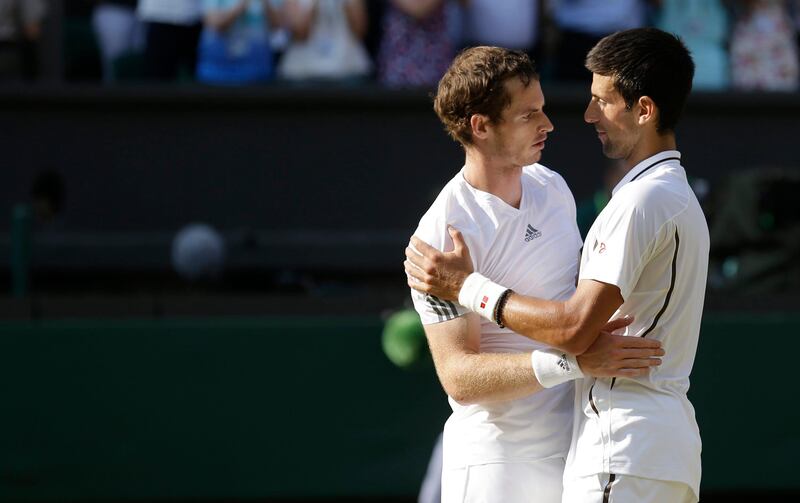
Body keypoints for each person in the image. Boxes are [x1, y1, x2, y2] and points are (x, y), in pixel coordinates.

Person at [407, 29, 707, 503]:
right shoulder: (439, 239)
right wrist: (571, 361)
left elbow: (580, 316)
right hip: (495, 465)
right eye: (529, 115)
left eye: (543, 107)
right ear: (481, 127)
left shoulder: (554, 189)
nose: (549, 124)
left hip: (581, 454)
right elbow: (460, 379)